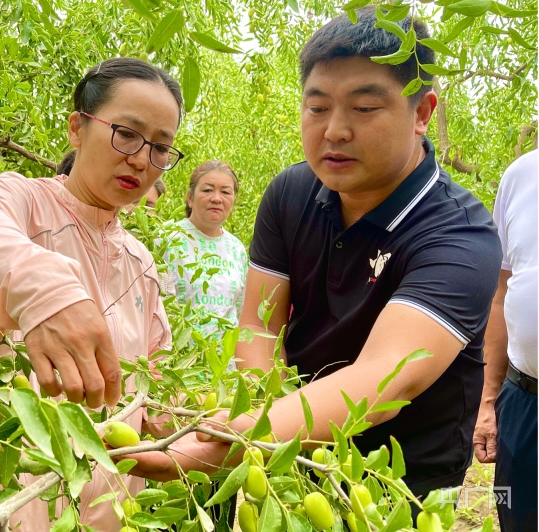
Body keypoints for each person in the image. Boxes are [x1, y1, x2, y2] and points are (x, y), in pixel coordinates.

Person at [130, 6, 501, 504]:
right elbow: (260, 326)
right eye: (318, 107)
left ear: (422, 113)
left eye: (364, 108)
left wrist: (243, 436)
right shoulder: (291, 193)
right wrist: (256, 416)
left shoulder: (460, 234)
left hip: (398, 485)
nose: (335, 131)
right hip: (288, 458)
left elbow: (387, 377)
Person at [0, 57, 185, 532]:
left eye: (160, 147)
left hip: (105, 513)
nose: (140, 159)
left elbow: (155, 384)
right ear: (77, 128)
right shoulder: (25, 203)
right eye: (126, 133)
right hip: (2, 507)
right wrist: (45, 293)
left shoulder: (141, 263)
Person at [473, 150, 537, 532]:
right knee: (516, 519)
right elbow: (501, 295)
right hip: (524, 404)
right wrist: (487, 402)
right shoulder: (520, 176)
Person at [162, 161, 247, 344]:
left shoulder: (237, 249)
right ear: (190, 198)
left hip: (225, 364)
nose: (216, 198)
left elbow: (239, 310)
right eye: (208, 190)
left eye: (225, 192)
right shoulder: (167, 239)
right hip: (179, 360)